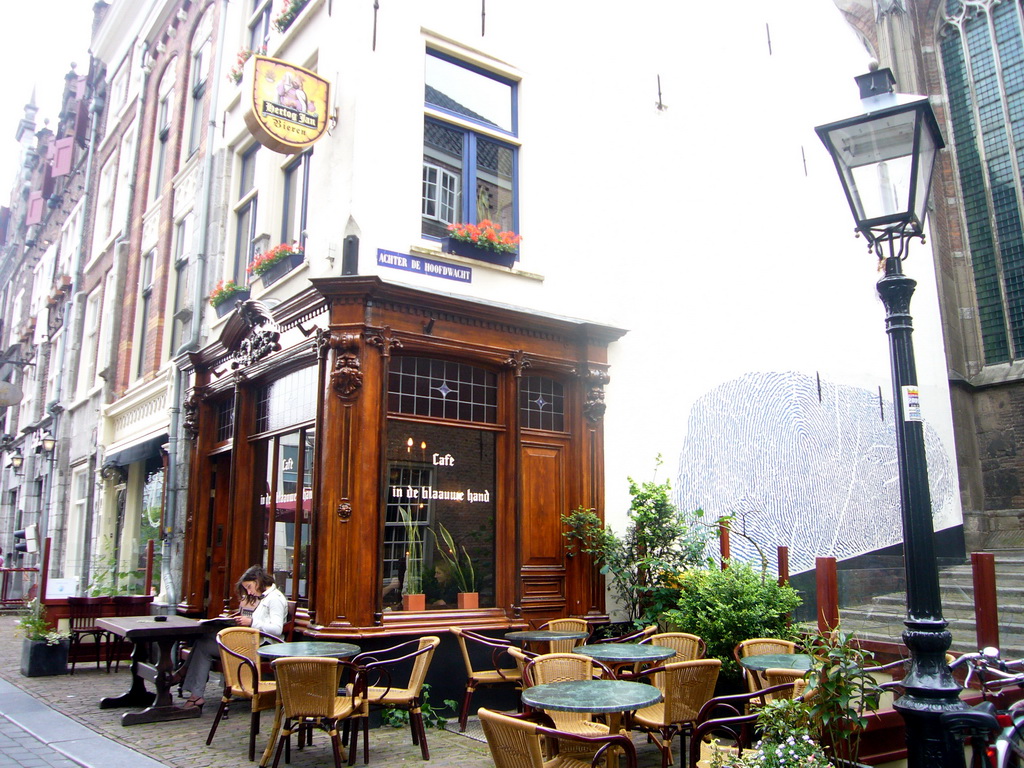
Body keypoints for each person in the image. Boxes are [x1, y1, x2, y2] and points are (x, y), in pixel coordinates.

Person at [180, 564, 288, 712]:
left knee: (204, 645)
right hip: (252, 642)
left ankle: (192, 689)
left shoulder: (274, 599)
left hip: (261, 647)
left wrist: (251, 622)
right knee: (204, 639)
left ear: (258, 581)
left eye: (250, 587)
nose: (249, 592)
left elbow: (276, 629)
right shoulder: (265, 598)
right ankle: (192, 688)